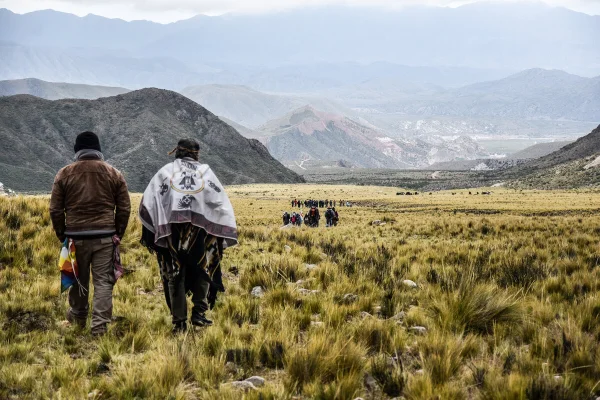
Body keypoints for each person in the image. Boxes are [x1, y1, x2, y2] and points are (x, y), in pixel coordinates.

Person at [139, 139, 238, 333]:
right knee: (204, 268)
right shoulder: (206, 173)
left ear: (177, 152)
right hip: (201, 234)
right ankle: (199, 312)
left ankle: (179, 322)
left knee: (175, 272)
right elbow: (219, 204)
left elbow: (149, 202)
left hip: (170, 234)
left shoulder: (165, 173)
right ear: (196, 154)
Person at [50, 131, 131, 336]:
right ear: (98, 150)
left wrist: (62, 234)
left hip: (75, 238)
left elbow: (55, 210)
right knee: (103, 281)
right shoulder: (113, 173)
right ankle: (99, 327)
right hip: (105, 236)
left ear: (77, 150)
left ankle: (78, 318)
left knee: (78, 278)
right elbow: (124, 208)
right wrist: (118, 233)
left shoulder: (64, 173)